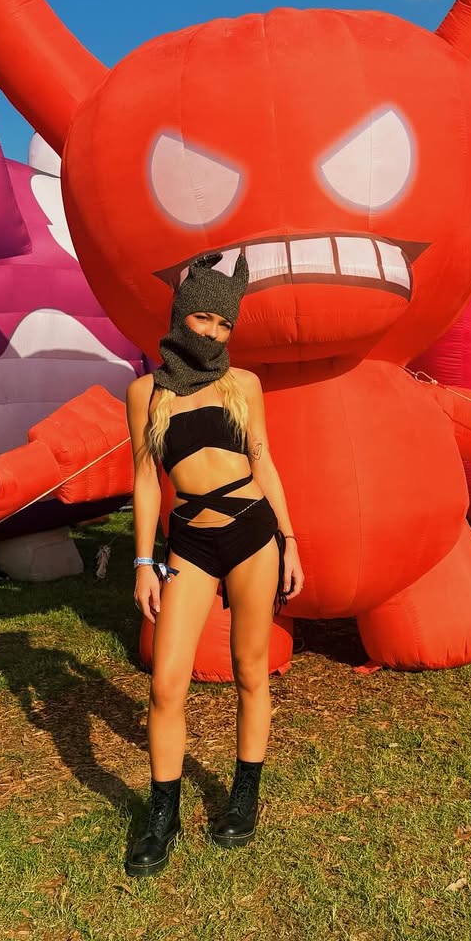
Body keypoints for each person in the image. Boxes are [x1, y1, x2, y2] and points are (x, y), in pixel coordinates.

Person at [123, 252, 304, 878]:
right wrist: (142, 561)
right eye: (204, 318)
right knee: (165, 683)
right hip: (189, 545)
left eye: (225, 325)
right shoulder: (145, 393)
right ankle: (163, 815)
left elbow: (264, 462)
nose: (213, 333)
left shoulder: (242, 384)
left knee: (251, 670)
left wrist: (290, 539)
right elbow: (147, 480)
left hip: (253, 533)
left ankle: (244, 796)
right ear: (181, 313)